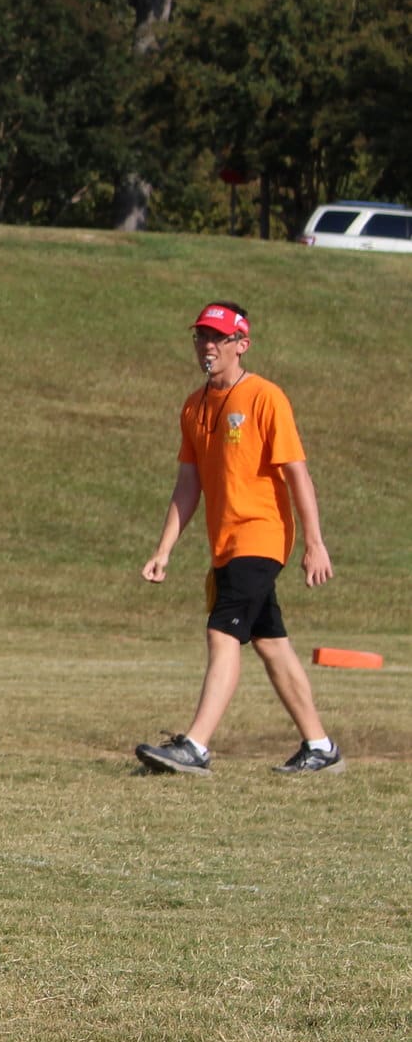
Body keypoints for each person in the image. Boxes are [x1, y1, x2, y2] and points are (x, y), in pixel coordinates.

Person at [135, 303, 340, 776]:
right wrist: (164, 549)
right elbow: (189, 485)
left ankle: (196, 747)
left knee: (221, 632)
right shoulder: (193, 405)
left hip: (262, 535)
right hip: (225, 543)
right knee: (270, 643)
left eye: (218, 338)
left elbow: (297, 474)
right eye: (201, 337)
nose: (207, 346)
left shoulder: (266, 397)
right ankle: (321, 746)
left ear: (241, 345)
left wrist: (315, 541)